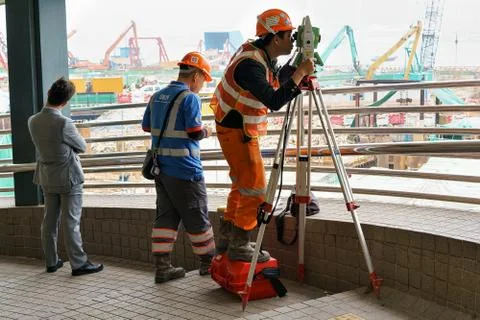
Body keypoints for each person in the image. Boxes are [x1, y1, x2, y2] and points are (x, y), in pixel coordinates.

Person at [209, 8, 315, 262]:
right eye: (289, 35)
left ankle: (228, 238)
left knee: (242, 185)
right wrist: (301, 72)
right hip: (237, 130)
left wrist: (295, 72)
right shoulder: (250, 65)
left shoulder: (261, 56)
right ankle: (240, 243)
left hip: (238, 128)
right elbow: (274, 99)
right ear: (274, 37)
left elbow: (275, 82)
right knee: (255, 189)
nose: (292, 40)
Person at [142, 51, 215, 283]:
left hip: (161, 170)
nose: (202, 85)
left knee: (165, 218)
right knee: (197, 217)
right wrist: (208, 131)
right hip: (185, 170)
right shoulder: (190, 98)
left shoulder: (157, 95)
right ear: (196, 76)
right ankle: (208, 264)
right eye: (203, 80)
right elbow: (194, 131)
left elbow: (146, 127)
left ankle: (162, 268)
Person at [28, 77, 103, 276]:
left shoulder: (33, 120)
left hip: (47, 177)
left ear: (49, 95)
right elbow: (82, 146)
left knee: (49, 220)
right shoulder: (64, 122)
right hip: (68, 178)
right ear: (65, 102)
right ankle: (79, 264)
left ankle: (52, 261)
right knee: (71, 221)